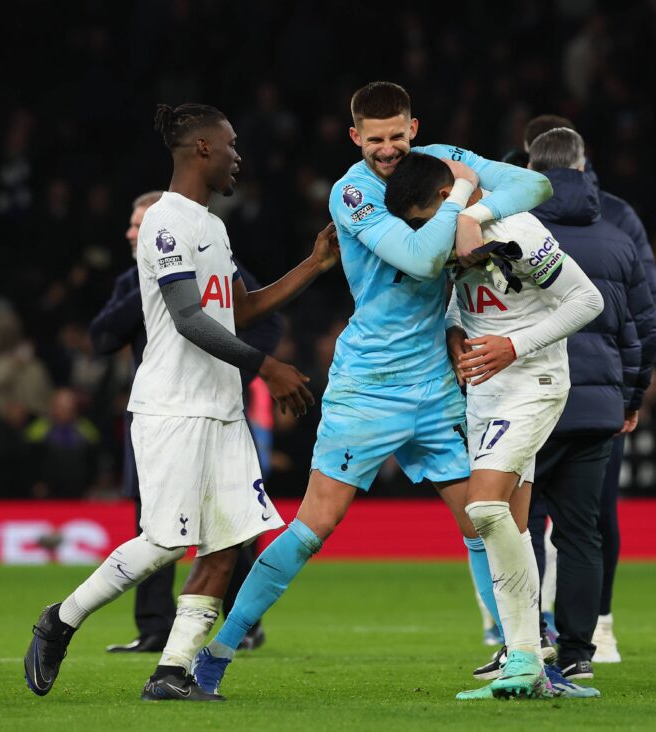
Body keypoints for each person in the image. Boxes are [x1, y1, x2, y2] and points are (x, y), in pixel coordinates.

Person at [192, 81, 554, 701]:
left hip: (437, 385)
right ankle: (214, 657)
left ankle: (516, 650)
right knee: (314, 526)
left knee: (484, 521)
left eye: (396, 137)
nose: (387, 150)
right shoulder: (352, 191)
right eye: (375, 139)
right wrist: (463, 196)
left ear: (413, 129)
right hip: (368, 386)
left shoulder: (439, 162)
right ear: (355, 137)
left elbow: (535, 186)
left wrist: (469, 210)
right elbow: (417, 258)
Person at [23, 102, 339, 703]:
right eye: (231, 144)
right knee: (165, 541)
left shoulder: (213, 226)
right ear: (201, 149)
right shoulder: (166, 223)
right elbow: (190, 320)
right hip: (171, 406)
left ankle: (171, 673)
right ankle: (59, 620)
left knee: (226, 543)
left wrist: (314, 266)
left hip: (221, 409)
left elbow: (240, 310)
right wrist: (266, 366)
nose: (238, 155)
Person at [385, 152, 605, 698]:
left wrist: (514, 345)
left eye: (420, 219)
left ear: (443, 198)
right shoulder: (455, 234)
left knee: (483, 508)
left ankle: (527, 659)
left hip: (533, 384)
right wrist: (457, 331)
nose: (421, 233)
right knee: (513, 524)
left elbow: (587, 299)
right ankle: (529, 661)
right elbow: (466, 298)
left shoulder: (517, 231)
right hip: (485, 391)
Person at [89, 191, 280, 654]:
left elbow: (263, 323)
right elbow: (100, 338)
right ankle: (154, 629)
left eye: (140, 226)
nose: (133, 234)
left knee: (231, 522)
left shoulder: (213, 260)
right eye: (133, 228)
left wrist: (251, 366)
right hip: (159, 410)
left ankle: (242, 621)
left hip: (217, 406)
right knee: (151, 522)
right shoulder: (131, 281)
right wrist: (157, 286)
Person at [522, 115, 656, 663]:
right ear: (583, 167)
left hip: (528, 399)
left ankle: (526, 643)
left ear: (531, 167)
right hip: (597, 406)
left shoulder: (509, 228)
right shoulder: (618, 233)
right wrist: (632, 397)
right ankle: (581, 650)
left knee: (521, 527)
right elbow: (644, 326)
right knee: (584, 531)